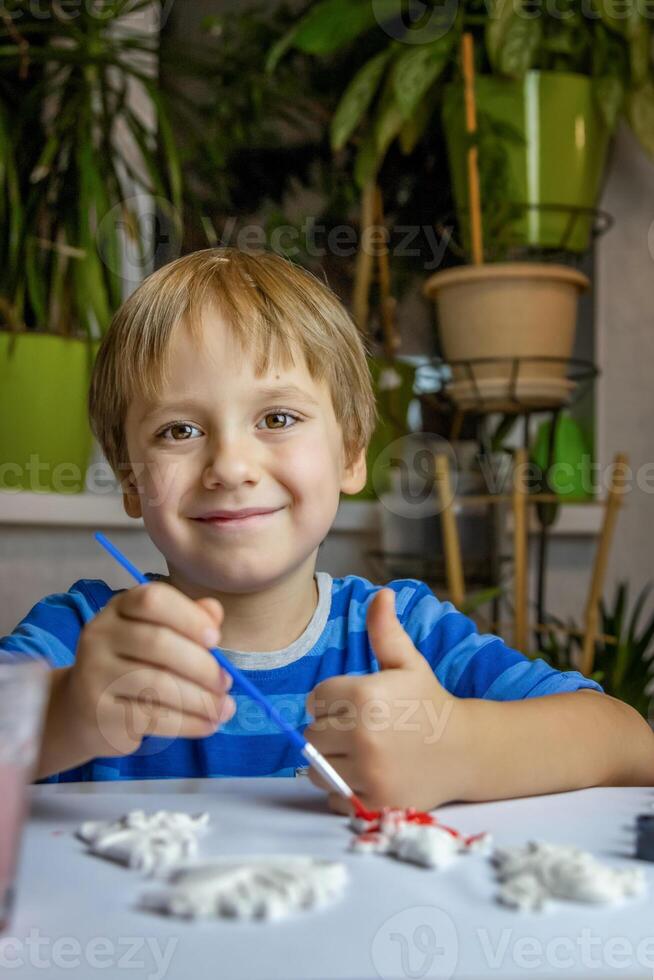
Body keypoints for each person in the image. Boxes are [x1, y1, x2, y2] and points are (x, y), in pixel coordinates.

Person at [2, 248, 653, 810]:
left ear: (350, 453)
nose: (230, 465)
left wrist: (460, 747)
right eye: (180, 431)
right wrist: (61, 715)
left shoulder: (402, 632)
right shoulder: (85, 639)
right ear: (130, 480)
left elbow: (628, 742)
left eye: (278, 418)